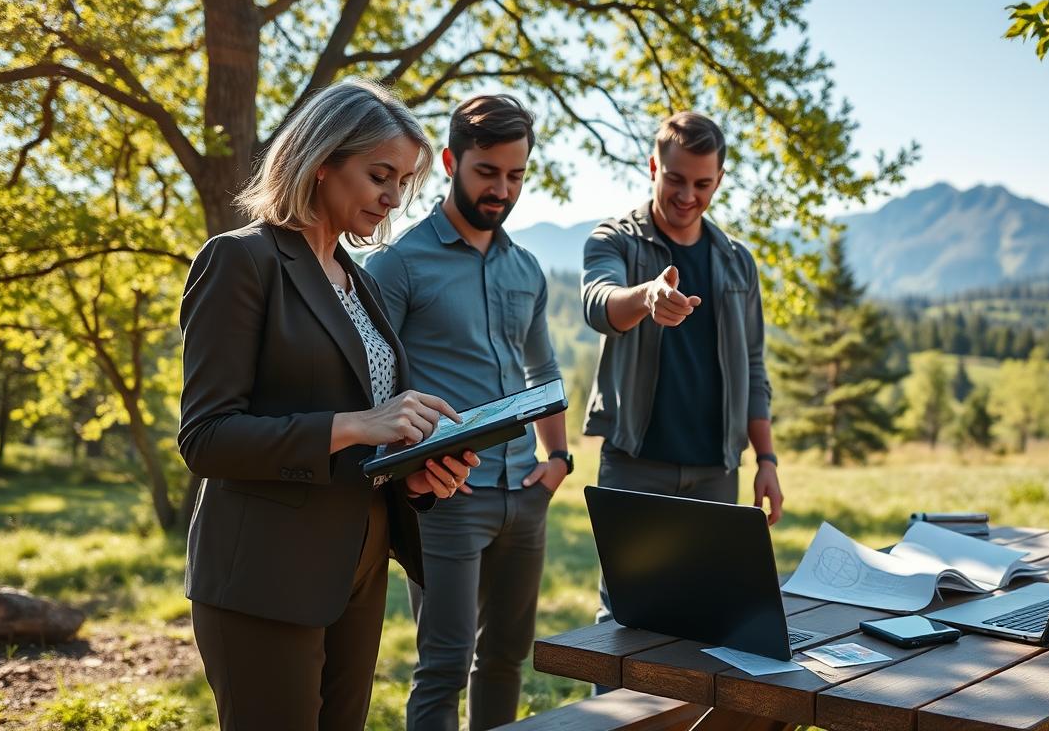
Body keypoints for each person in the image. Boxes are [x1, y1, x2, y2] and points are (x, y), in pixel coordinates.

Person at [178, 78, 479, 731]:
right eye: (380, 175)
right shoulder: (240, 261)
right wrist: (356, 424)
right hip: (266, 576)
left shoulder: (361, 283)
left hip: (358, 567)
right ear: (322, 164)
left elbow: (363, 439)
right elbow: (205, 437)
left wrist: (417, 467)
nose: (394, 197)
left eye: (403, 181)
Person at [366, 95, 567, 731]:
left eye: (515, 175)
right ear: (452, 161)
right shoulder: (398, 264)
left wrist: (557, 460)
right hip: (445, 497)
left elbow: (545, 374)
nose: (501, 189)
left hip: (523, 493)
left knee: (507, 659)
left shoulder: (527, 268)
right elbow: (368, 383)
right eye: (487, 172)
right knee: (444, 666)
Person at [580, 110, 784, 628]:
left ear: (718, 181)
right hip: (634, 465)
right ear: (654, 166)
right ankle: (619, 715)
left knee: (707, 619)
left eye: (702, 183)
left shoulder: (736, 260)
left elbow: (754, 366)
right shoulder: (615, 240)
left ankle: (681, 716)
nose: (687, 195)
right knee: (627, 620)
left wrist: (766, 460)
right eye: (675, 179)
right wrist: (646, 296)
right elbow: (599, 304)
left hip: (717, 473)